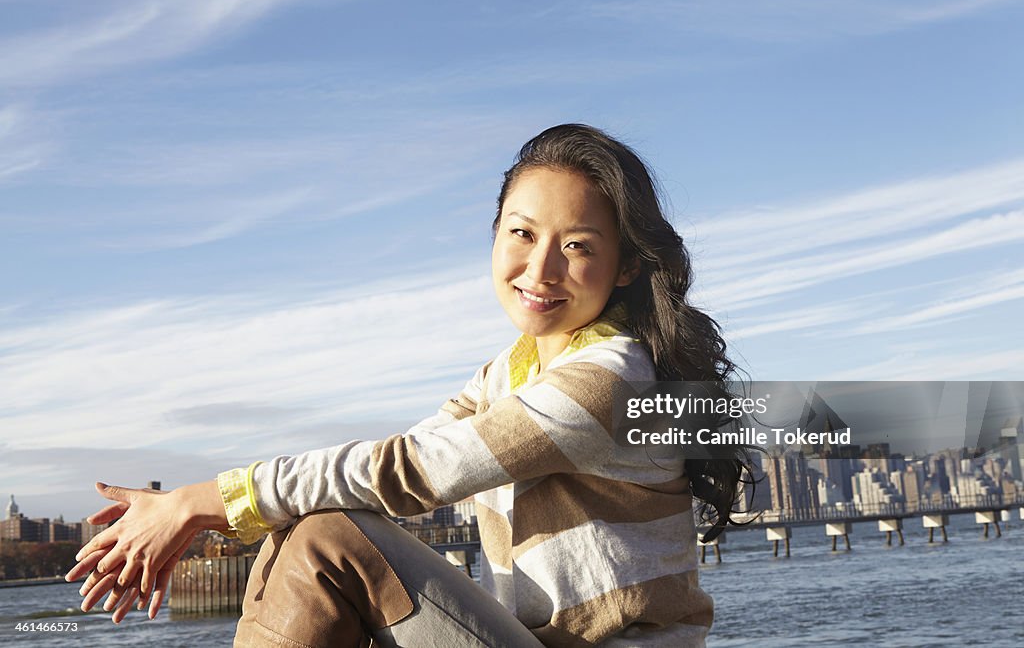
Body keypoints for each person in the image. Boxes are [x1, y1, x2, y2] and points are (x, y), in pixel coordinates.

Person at [66, 124, 750, 646]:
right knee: (300, 526)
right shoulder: (506, 374)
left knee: (330, 534)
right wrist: (219, 511)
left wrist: (197, 502)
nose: (540, 266)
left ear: (626, 265)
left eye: (577, 245)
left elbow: (410, 472)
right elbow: (400, 456)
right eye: (522, 232)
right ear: (493, 236)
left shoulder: (606, 379)